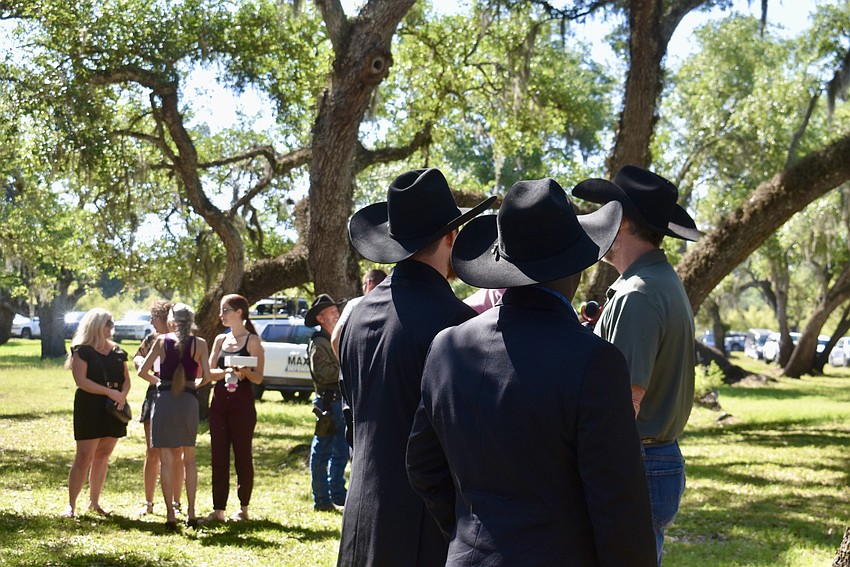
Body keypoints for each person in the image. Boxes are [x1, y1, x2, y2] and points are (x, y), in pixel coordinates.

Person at [406, 178, 656, 566]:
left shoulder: (447, 348)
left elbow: (422, 465)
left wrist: (469, 531)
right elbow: (619, 505)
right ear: (574, 268)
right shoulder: (594, 361)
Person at [336, 168, 495, 567]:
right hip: (424, 529)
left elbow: (350, 417)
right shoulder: (458, 325)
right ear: (450, 237)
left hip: (359, 519)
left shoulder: (356, 314)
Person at [573, 165, 701, 565]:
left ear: (622, 220)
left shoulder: (638, 294)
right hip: (651, 460)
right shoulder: (656, 282)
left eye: (606, 212)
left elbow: (625, 402)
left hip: (636, 463)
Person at [138, 303, 213, 529]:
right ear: (191, 322)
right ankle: (190, 512)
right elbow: (208, 376)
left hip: (165, 401)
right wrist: (195, 384)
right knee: (189, 459)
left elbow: (143, 371)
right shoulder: (200, 344)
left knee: (166, 459)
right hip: (188, 400)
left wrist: (160, 382)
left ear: (172, 321)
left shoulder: (161, 341)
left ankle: (170, 514)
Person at [202, 293, 265, 524]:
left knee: (242, 456)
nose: (221, 315)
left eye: (225, 310)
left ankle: (243, 508)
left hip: (242, 405)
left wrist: (244, 371)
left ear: (239, 312)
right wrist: (228, 372)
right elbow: (209, 373)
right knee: (218, 456)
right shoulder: (220, 340)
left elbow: (258, 378)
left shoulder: (253, 342)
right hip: (219, 403)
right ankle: (218, 510)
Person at [62, 308, 130, 518]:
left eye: (112, 323)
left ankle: (94, 502)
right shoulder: (81, 350)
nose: (112, 327)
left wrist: (122, 394)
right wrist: (109, 392)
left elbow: (126, 379)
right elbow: (81, 381)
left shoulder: (117, 350)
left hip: (114, 406)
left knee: (103, 455)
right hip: (90, 405)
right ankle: (71, 505)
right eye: (108, 323)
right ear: (96, 325)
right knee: (84, 456)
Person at [132, 299, 181, 518]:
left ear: (163, 318)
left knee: (176, 452)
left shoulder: (182, 341)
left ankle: (176, 502)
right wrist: (151, 376)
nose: (151, 321)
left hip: (177, 396)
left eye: (153, 317)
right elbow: (138, 357)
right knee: (152, 451)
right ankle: (149, 502)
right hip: (154, 395)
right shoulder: (151, 340)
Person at [305, 294, 348, 512]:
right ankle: (321, 499)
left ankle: (338, 495)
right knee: (321, 452)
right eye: (331, 312)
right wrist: (349, 366)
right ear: (320, 318)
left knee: (341, 451)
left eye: (335, 310)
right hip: (327, 403)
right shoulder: (318, 342)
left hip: (339, 402)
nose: (336, 314)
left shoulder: (336, 337)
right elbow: (323, 373)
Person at [330, 269, 387, 355]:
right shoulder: (393, 307)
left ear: (368, 283)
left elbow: (335, 338)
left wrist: (345, 365)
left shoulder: (354, 304)